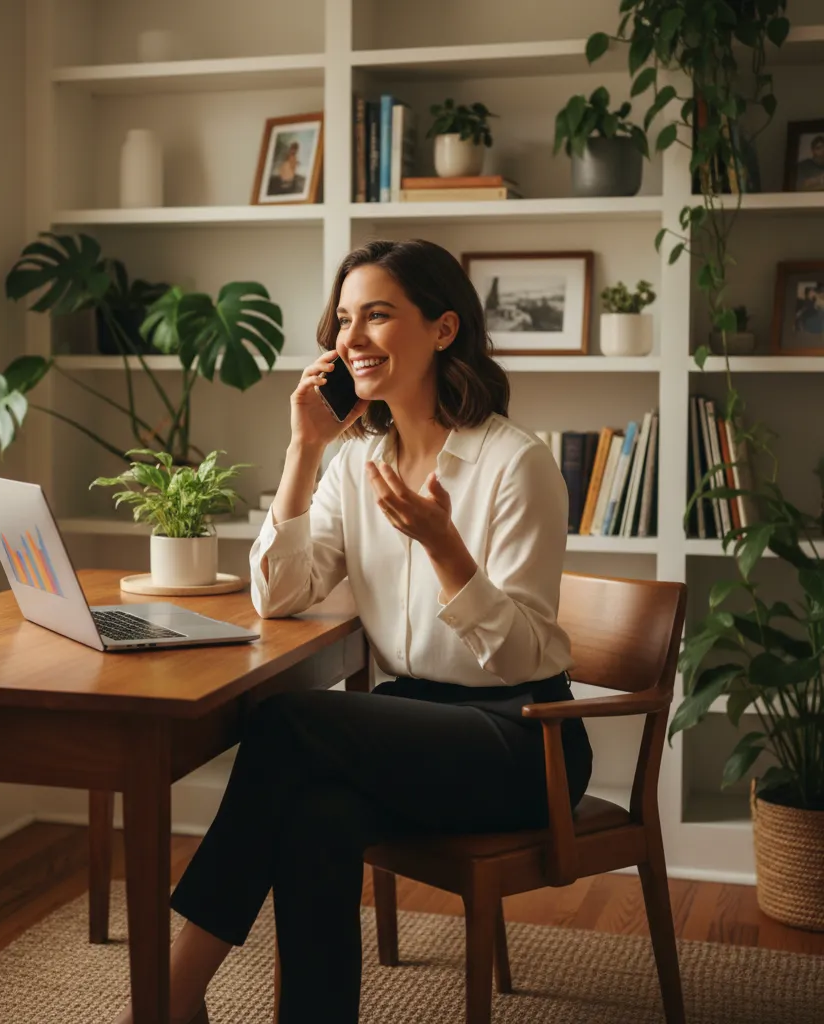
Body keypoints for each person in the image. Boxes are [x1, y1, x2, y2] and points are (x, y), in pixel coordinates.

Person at [114, 238, 593, 1024]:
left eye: (377, 315)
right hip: (416, 724)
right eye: (343, 319)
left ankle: (168, 997)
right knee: (314, 820)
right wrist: (305, 448)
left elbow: (522, 653)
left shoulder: (517, 464)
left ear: (443, 330)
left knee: (288, 723)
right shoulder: (353, 460)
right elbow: (281, 594)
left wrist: (446, 549)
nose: (352, 338)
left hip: (521, 738)